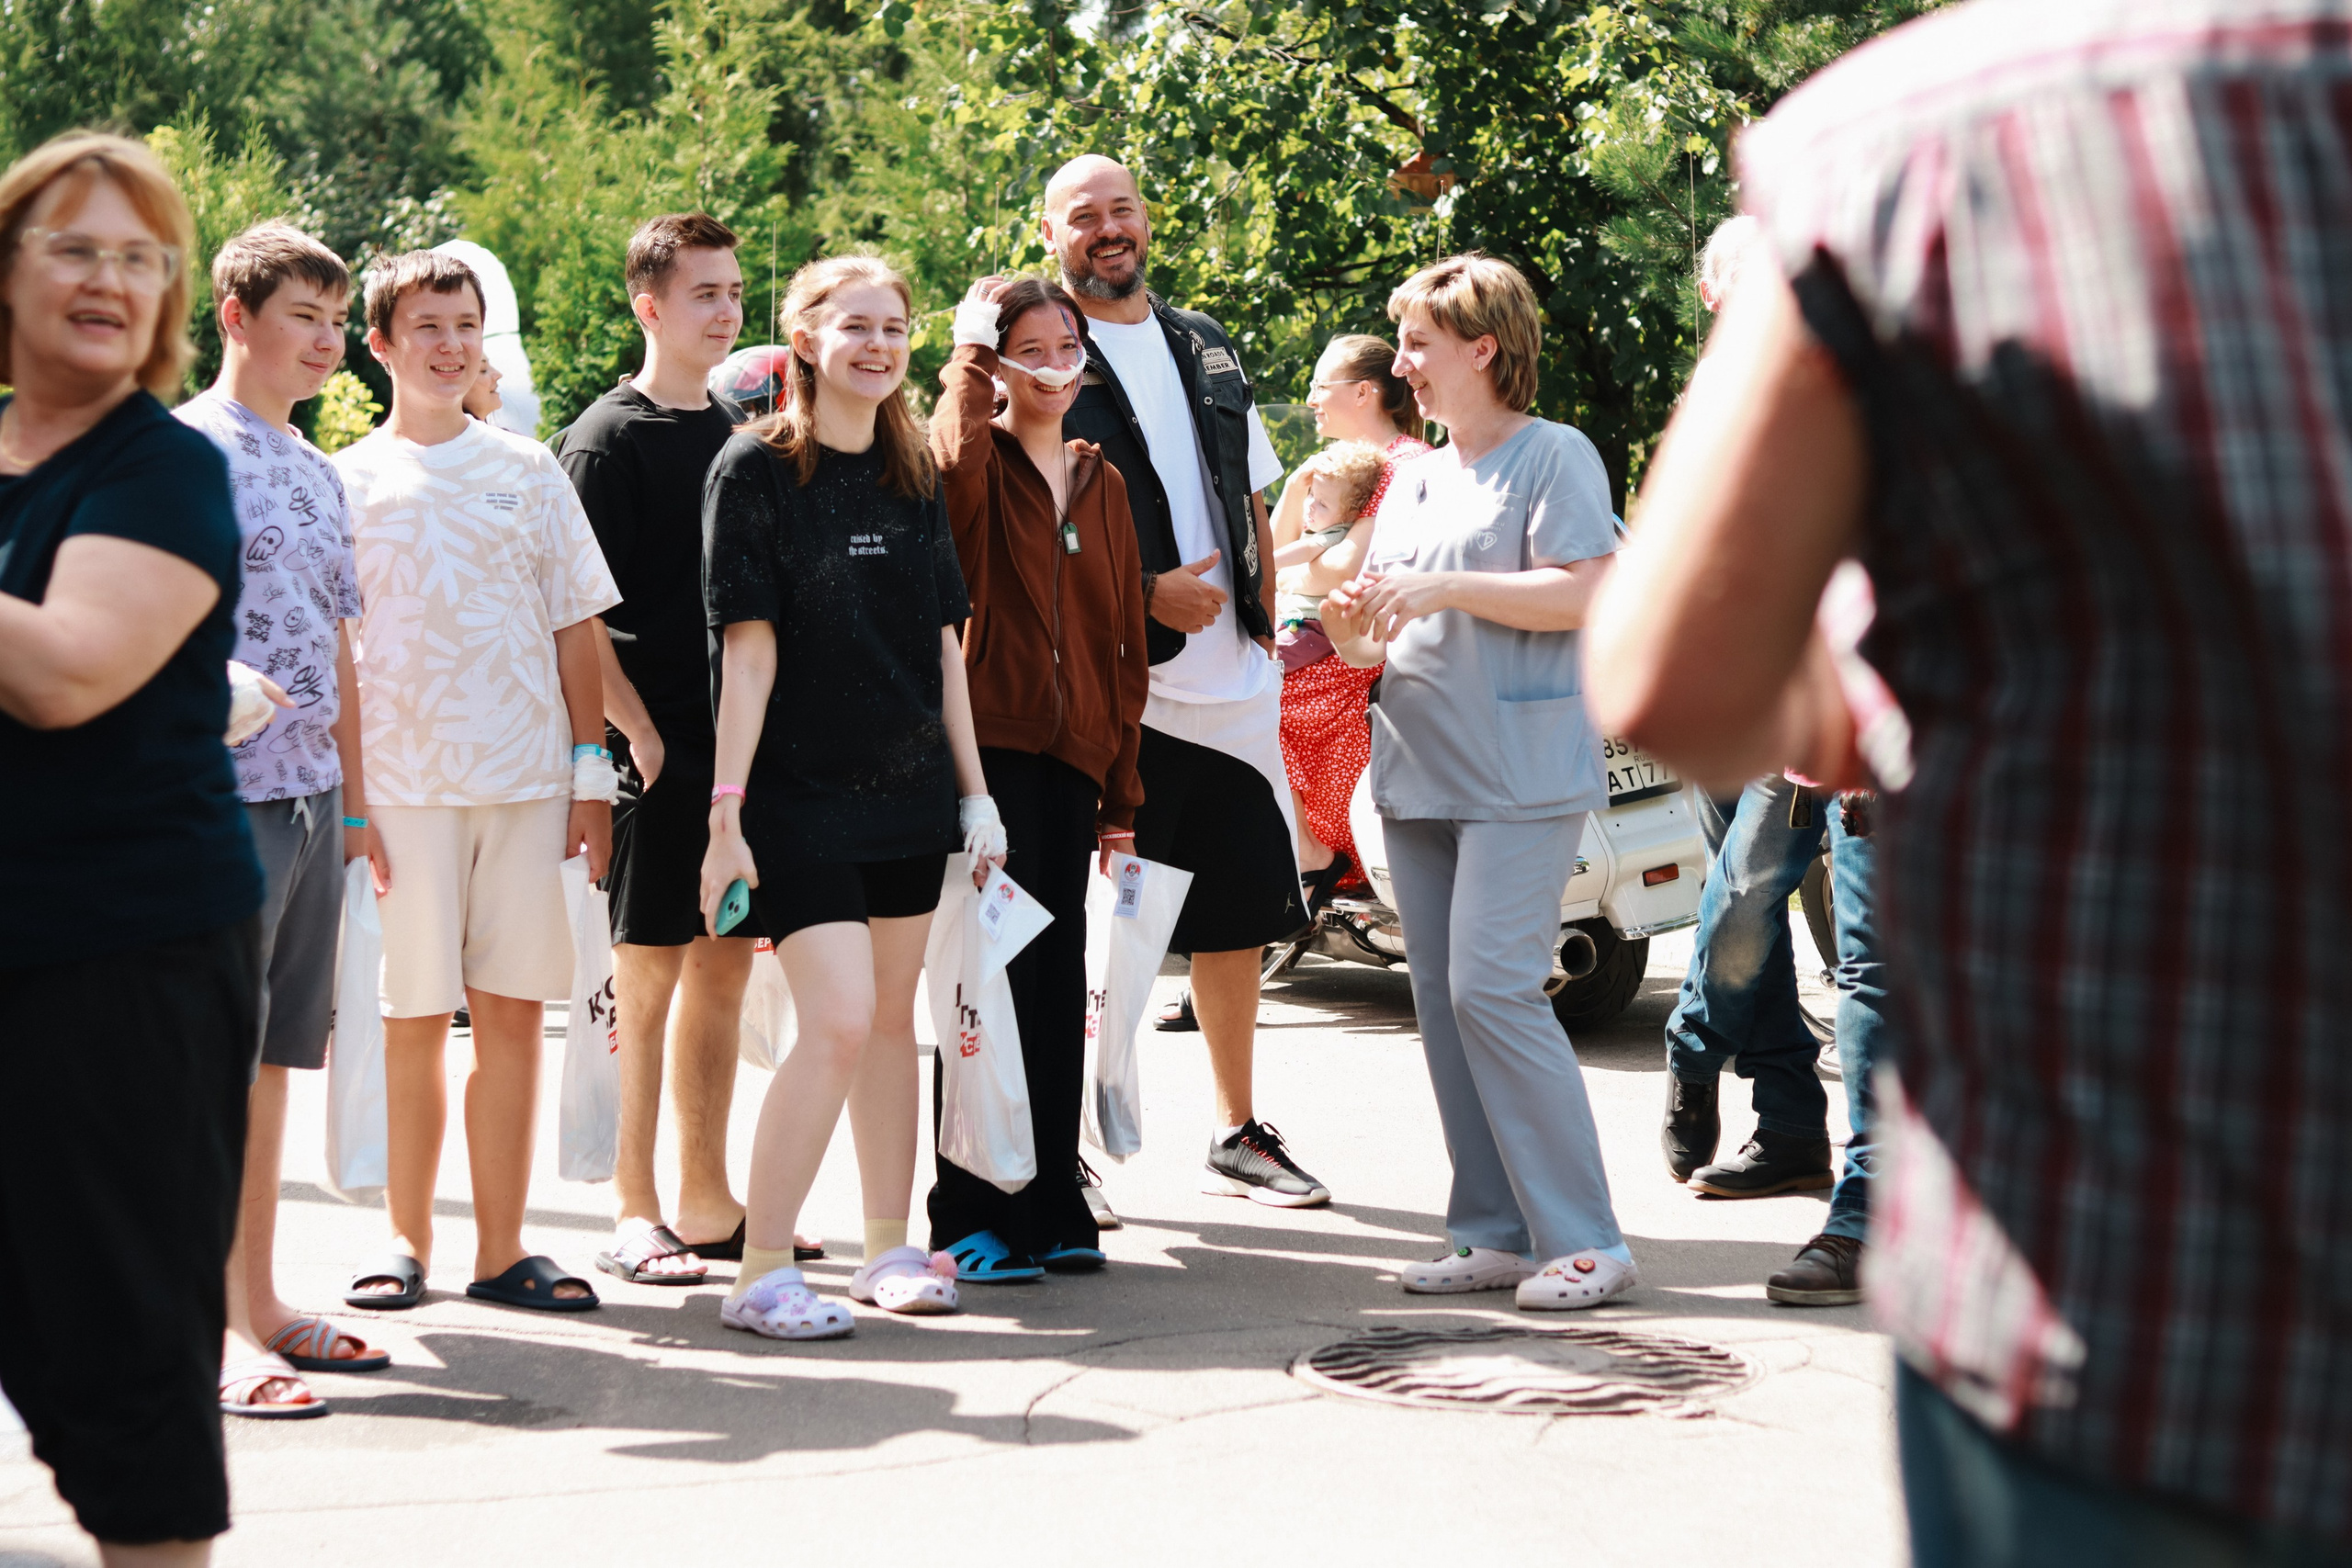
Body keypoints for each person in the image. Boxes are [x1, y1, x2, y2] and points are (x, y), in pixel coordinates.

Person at [1586, 0, 2352, 1557]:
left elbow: (1680, 673)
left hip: (2127, 1318)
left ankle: (1756, 1114)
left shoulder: (1913, 143)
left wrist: (1856, 652)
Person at [0, 131, 264, 1566]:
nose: (109, 277)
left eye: (140, 255)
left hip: (120, 964)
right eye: (74, 246)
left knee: (119, 1366)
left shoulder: (160, 470)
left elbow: (63, 672)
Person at [700, 254, 1004, 1338]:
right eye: (856, 326)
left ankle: (887, 1248)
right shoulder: (753, 470)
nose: (879, 345)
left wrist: (977, 799)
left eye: (896, 327)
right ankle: (761, 1271)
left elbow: (943, 650)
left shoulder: (913, 468)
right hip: (796, 797)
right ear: (807, 339)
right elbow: (746, 655)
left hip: (912, 793)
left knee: (887, 1027)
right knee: (832, 1021)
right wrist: (726, 812)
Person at [1323, 254, 1635, 1311]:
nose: (1401, 363)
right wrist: (1351, 630)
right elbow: (1383, 628)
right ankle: (1493, 1231)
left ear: (1482, 347)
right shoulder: (1412, 473)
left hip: (1520, 769)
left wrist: (1445, 585)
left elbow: (1587, 590)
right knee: (1446, 1006)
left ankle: (1586, 1237)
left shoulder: (1556, 456)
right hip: (1418, 765)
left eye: (1417, 343)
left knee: (1491, 989)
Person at [334, 250, 620, 1315]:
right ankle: (404, 1242)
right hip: (402, 794)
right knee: (411, 1016)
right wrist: (353, 806)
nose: (450, 346)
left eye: (466, 326)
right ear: (381, 346)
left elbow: (574, 625)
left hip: (527, 783)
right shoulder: (347, 481)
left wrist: (590, 776)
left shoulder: (528, 469)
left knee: (509, 1018)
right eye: (427, 328)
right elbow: (333, 652)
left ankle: (502, 1251)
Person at [1046, 153, 1331, 1208]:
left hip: (1236, 684)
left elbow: (1247, 493)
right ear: (1052, 235)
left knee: (1237, 919)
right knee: (1100, 931)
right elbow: (1033, 523)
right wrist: (1144, 593)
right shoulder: (1045, 349)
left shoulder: (1203, 341)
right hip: (1123, 692)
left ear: (1146, 221)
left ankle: (1235, 1129)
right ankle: (1063, 1140)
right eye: (1085, 217)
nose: (1108, 230)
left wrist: (1263, 625)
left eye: (1122, 210)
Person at [176, 220, 396, 1418]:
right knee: (206, 1069)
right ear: (236, 317)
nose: (324, 342)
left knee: (270, 1069)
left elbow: (341, 648)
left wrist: (359, 808)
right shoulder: (178, 452)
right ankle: (207, 1326)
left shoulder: (319, 466)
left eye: (333, 318)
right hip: (213, 803)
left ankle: (256, 1298)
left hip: (313, 802)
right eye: (302, 316)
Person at [1652, 214, 1889, 1310]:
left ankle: (1693, 1044)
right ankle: (1793, 1127)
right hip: (1738, 712)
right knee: (1741, 910)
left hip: (1830, 724)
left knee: (1757, 912)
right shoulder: (1712, 405)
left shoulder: (1858, 391)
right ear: (1713, 297)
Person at [555, 212, 795, 1288]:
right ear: (648, 306)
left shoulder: (743, 437)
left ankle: (708, 1199)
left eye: (735, 290)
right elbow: (573, 609)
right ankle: (632, 1206)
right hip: (653, 759)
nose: (727, 308)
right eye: (705, 292)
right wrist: (635, 732)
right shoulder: (607, 438)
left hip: (733, 764)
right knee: (642, 986)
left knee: (723, 977)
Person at [924, 272, 1149, 1278]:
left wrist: (1122, 799)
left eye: (1069, 347)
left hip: (1073, 765)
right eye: (1032, 347)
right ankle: (970, 1210)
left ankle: (1055, 1195)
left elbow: (1121, 647)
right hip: (988, 761)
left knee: (1058, 986)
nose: (1056, 366)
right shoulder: (977, 463)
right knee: (985, 986)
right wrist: (969, 354)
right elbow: (951, 472)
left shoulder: (1101, 480)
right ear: (999, 359)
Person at [1271, 334, 1430, 906]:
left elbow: (1337, 573)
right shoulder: (1339, 468)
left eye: (1320, 386)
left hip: (1362, 643)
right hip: (1331, 636)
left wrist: (1288, 573)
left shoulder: (1403, 466)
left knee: (1249, 705)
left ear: (1364, 392)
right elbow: (1264, 557)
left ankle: (1317, 853)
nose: (1310, 397)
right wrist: (1294, 485)